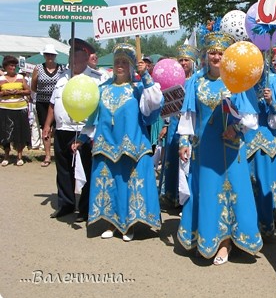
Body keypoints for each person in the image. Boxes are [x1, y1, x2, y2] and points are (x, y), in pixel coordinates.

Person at [177, 28, 263, 265]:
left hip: (232, 148)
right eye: (212, 53)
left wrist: (235, 129)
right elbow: (189, 116)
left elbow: (251, 118)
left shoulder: (237, 80)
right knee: (208, 193)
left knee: (232, 192)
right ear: (206, 55)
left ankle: (226, 243)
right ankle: (207, 238)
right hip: (206, 149)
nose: (216, 57)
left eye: (221, 53)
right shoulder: (196, 81)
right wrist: (184, 142)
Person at [73, 43, 163, 241]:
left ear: (131, 66)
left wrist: (145, 76)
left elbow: (155, 103)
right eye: (117, 62)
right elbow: (92, 117)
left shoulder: (138, 89)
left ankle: (128, 226)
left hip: (132, 146)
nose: (120, 65)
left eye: (124, 62)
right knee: (110, 184)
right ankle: (111, 224)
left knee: (128, 185)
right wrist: (81, 138)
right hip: (106, 145)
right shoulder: (102, 89)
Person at [43, 38, 104, 220]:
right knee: (63, 168)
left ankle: (85, 209)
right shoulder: (63, 76)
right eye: (70, 56)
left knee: (85, 168)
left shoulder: (95, 79)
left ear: (86, 58)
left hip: (84, 131)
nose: (72, 60)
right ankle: (66, 204)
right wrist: (47, 125)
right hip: (63, 129)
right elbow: (53, 103)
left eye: (75, 57)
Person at [245, 57, 276, 236]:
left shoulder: (273, 80)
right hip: (243, 141)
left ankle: (265, 225)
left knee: (265, 184)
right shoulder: (241, 79)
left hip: (265, 144)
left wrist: (271, 102)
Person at [160, 44, 199, 208]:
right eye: (181, 60)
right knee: (172, 160)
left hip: (191, 124)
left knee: (188, 161)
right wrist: (165, 124)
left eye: (186, 60)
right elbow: (166, 104)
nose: (183, 63)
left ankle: (187, 197)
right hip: (174, 124)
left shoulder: (197, 80)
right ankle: (172, 195)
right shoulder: (173, 80)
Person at [31, 44, 65, 167]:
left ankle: (58, 152)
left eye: (52, 54)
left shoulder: (62, 68)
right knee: (45, 129)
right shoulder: (38, 68)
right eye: (47, 54)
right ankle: (47, 155)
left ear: (55, 56)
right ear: (44, 56)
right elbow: (33, 85)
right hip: (42, 102)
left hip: (58, 101)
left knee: (58, 128)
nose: (49, 56)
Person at [0, 56, 31, 166]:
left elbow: (28, 91)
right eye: (11, 66)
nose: (13, 68)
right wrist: (4, 93)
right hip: (5, 108)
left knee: (20, 133)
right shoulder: (1, 79)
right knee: (5, 134)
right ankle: (6, 156)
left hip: (20, 108)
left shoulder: (21, 77)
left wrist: (19, 91)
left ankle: (19, 156)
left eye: (14, 66)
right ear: (6, 67)